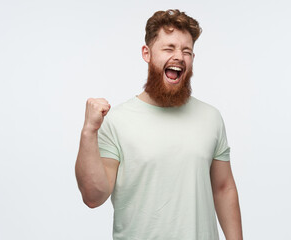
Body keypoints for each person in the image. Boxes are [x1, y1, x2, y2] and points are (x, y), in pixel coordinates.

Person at [75, 9, 243, 240]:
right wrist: (88, 132)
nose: (179, 57)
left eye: (187, 51)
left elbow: (224, 188)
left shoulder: (211, 117)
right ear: (147, 53)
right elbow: (93, 197)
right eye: (169, 48)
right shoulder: (117, 121)